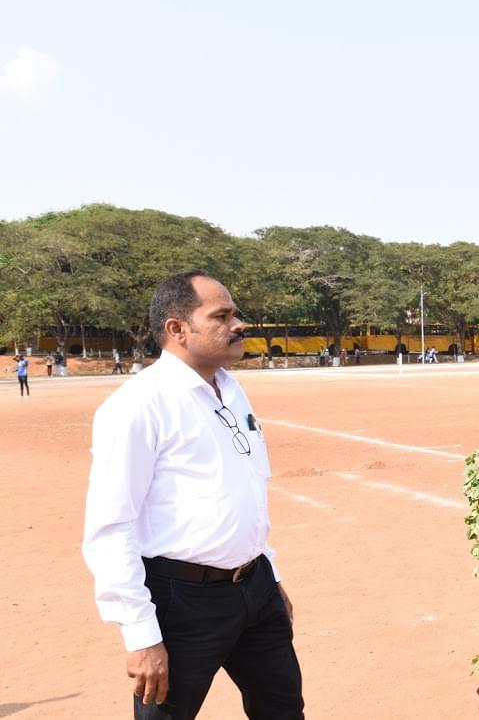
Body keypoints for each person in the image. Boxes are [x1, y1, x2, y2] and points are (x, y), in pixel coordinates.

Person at [82, 271, 304, 720]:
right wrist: (141, 635)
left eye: (235, 314)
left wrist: (269, 576)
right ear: (177, 329)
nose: (238, 324)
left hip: (255, 587)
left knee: (283, 711)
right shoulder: (138, 405)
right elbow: (111, 525)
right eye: (221, 316)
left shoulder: (231, 389)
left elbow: (244, 490)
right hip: (183, 600)